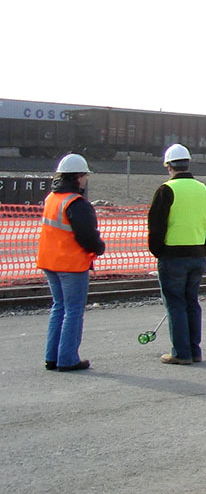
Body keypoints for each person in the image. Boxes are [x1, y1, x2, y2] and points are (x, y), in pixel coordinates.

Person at [147, 143, 206, 365]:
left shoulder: (165, 190)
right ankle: (194, 350)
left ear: (168, 166)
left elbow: (156, 227)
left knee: (175, 304)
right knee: (191, 302)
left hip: (172, 256)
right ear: (188, 164)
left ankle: (181, 353)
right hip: (198, 255)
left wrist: (158, 252)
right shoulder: (205, 190)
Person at [39, 153, 106, 372]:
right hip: (71, 265)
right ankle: (67, 359)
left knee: (59, 307)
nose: (86, 179)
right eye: (85, 175)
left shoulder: (52, 198)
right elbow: (87, 236)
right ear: (78, 176)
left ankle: (52, 357)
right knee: (73, 311)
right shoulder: (77, 203)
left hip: (50, 262)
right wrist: (99, 248)